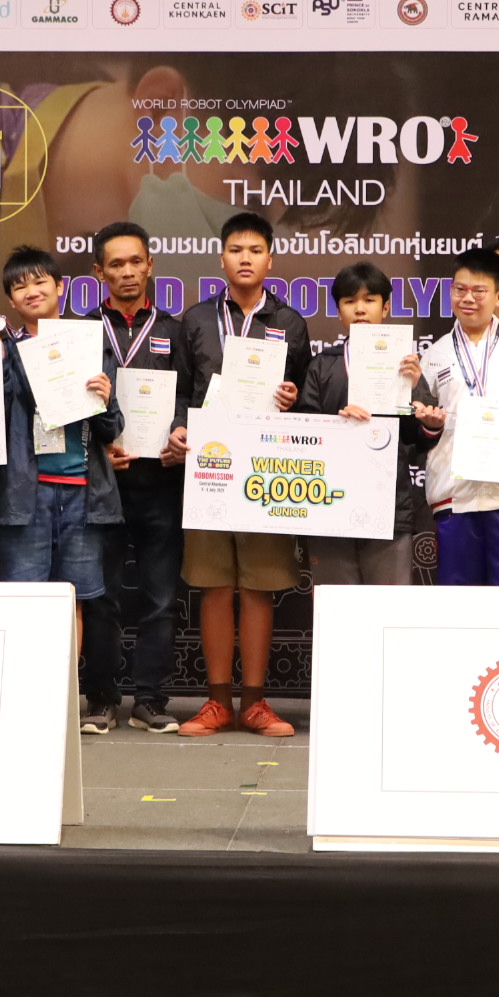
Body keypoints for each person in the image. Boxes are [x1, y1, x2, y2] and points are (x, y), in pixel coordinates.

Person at [174, 211, 311, 737]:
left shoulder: (290, 322)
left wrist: (293, 399)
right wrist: (178, 427)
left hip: (265, 467)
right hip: (208, 466)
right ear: (222, 259)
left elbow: (306, 396)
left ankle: (255, 703)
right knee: (213, 583)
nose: (245, 258)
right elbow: (181, 391)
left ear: (270, 259)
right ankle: (216, 702)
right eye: (236, 250)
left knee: (258, 585)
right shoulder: (196, 319)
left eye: (255, 250)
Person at [78, 221, 189, 735]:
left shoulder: (175, 330)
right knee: (100, 596)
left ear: (150, 265)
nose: (127, 271)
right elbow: (66, 403)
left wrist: (180, 431)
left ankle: (150, 700)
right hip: (101, 482)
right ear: (98, 271)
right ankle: (101, 699)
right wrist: (99, 445)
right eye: (116, 264)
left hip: (161, 481)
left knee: (160, 598)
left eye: (135, 262)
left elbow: (189, 393)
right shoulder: (79, 332)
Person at [0, 246, 124, 641]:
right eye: (20, 287)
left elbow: (112, 427)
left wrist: (104, 400)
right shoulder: (3, 350)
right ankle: (22, 683)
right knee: (23, 603)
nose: (31, 291)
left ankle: (64, 684)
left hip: (83, 493)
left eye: (39, 281)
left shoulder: (88, 344)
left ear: (60, 286)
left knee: (72, 602)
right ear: (11, 300)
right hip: (25, 496)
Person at [415, 247, 499, 586]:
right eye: (460, 289)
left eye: (479, 291)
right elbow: (417, 433)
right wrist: (429, 426)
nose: (468, 299)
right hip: (454, 495)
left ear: (498, 296)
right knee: (459, 600)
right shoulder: (433, 357)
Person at [299, 262, 431, 586]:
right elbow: (304, 432)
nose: (360, 309)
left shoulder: (406, 366)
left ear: (385, 308)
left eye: (369, 300)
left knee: (386, 607)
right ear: (338, 311)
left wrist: (418, 392)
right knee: (336, 607)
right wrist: (337, 425)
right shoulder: (322, 365)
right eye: (349, 301)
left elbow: (422, 437)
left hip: (389, 508)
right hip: (329, 503)